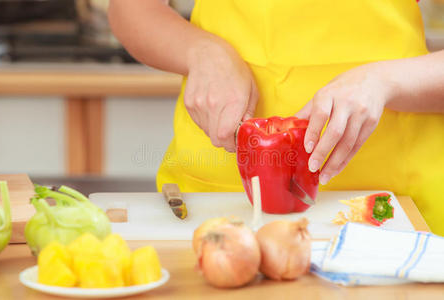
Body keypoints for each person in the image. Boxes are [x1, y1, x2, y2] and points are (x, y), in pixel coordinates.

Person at [109, 0, 444, 234]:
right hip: (215, 203)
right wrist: (202, 52)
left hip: (395, 207)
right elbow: (132, 9)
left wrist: (385, 81)